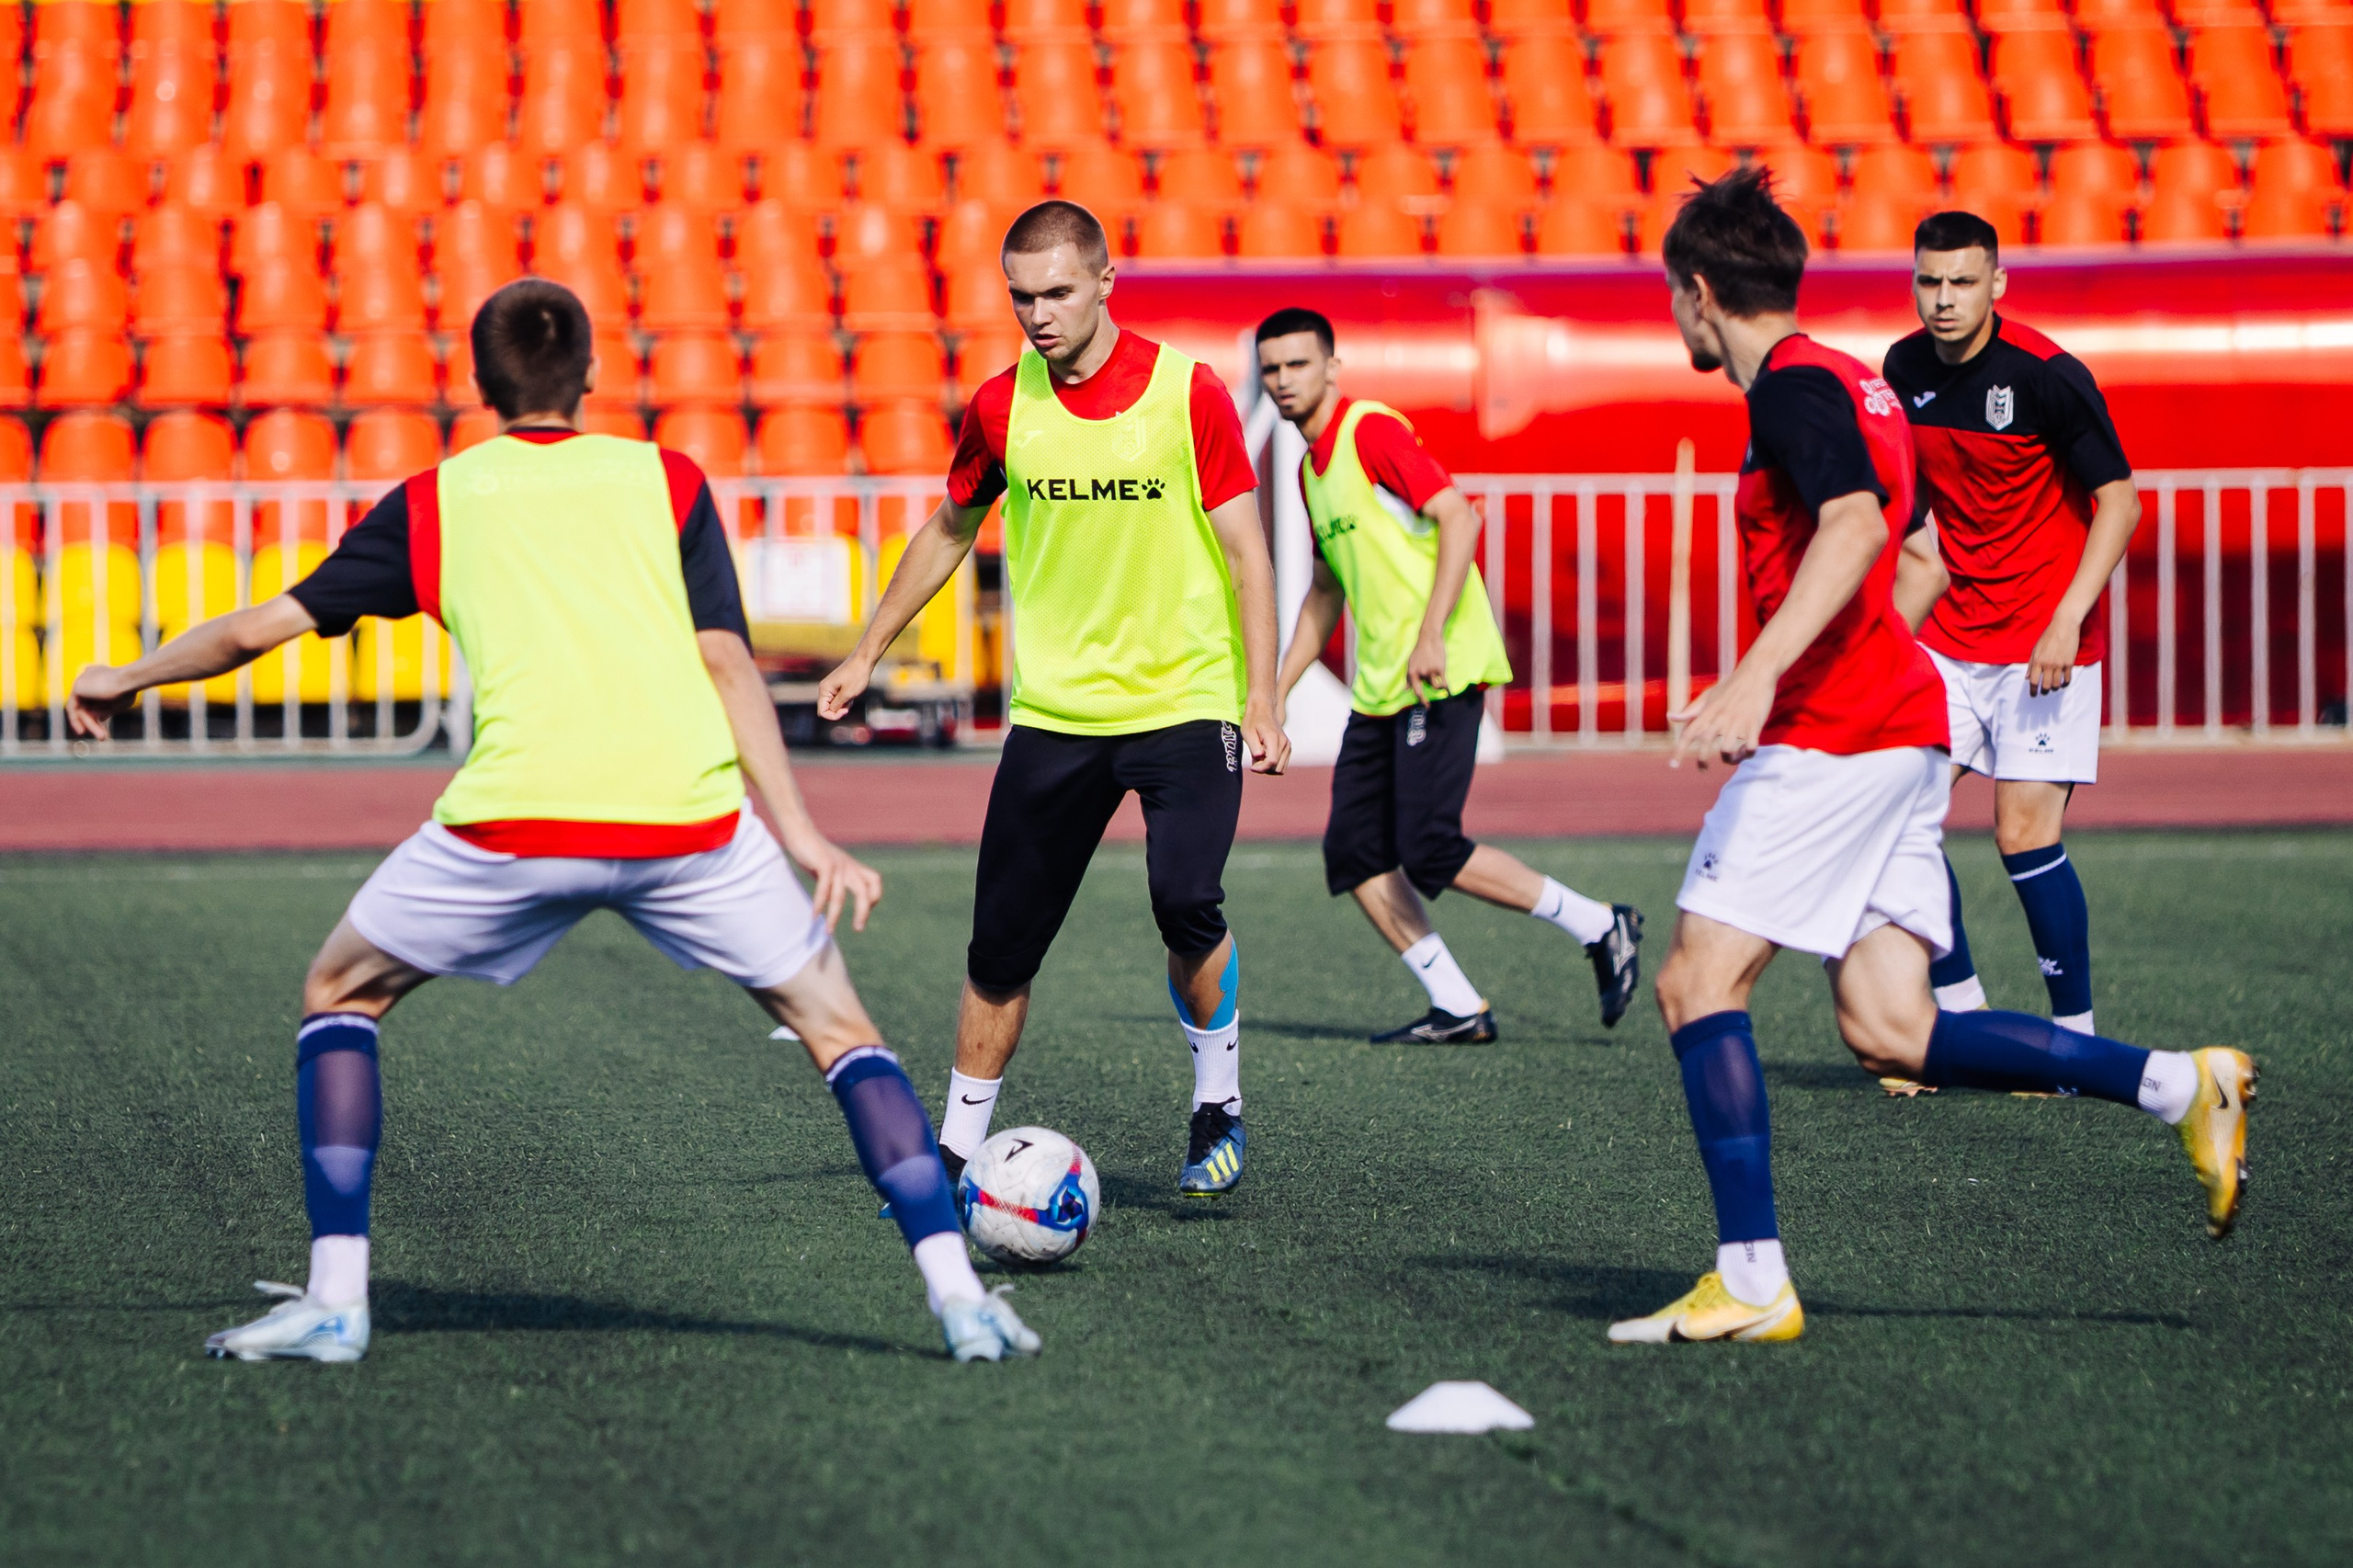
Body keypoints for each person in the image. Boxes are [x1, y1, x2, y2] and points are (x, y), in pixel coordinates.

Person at [67, 281, 1040, 1365]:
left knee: (338, 993)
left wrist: (124, 675)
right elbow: (727, 663)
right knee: (845, 1036)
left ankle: (337, 1299)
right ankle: (959, 1301)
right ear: (588, 376)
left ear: (480, 386)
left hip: (511, 827)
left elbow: (262, 627)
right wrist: (801, 833)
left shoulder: (439, 497)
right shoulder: (666, 478)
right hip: (692, 826)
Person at [1609, 171, 2254, 1346]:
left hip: (1840, 738)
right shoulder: (1863, 379)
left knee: (1696, 982)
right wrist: (1847, 661)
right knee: (1890, 1028)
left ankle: (1752, 1282)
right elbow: (1921, 560)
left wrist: (1759, 677)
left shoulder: (1793, 392)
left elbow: (1860, 528)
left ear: (1699, 296)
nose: (1675, 319)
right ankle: (2178, 1082)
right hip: (1904, 721)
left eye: (1671, 298)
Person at [818, 201, 1287, 1198]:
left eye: (1058, 292)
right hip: (1056, 714)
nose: (1038, 314)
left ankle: (1217, 1105)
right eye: (1021, 297)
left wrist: (1264, 696)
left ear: (1107, 280)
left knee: (1184, 900)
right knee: (1001, 941)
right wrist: (867, 649)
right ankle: (953, 1146)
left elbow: (1247, 548)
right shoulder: (999, 407)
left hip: (1182, 698)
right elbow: (949, 529)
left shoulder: (1185, 392)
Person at [1255, 307, 1643, 1044]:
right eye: (1271, 368)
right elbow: (1327, 591)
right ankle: (1459, 1006)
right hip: (1379, 691)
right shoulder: (1313, 470)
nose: (1282, 380)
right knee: (1356, 854)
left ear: (1332, 368)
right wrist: (1271, 696)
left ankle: (1601, 925)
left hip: (1439, 672)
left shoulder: (1370, 431)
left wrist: (1431, 632)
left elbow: (1460, 516)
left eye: (1298, 364)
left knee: (1430, 846)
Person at [1882, 210, 2143, 1049]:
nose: (1945, 299)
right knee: (1896, 815)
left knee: (2022, 833)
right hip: (1948, 641)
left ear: (1998, 283)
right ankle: (1962, 1018)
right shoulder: (1902, 366)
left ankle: (2078, 1037)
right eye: (1930, 281)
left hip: (2042, 644)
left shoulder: (2048, 375)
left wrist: (2067, 620)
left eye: (1963, 282)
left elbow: (2121, 503)